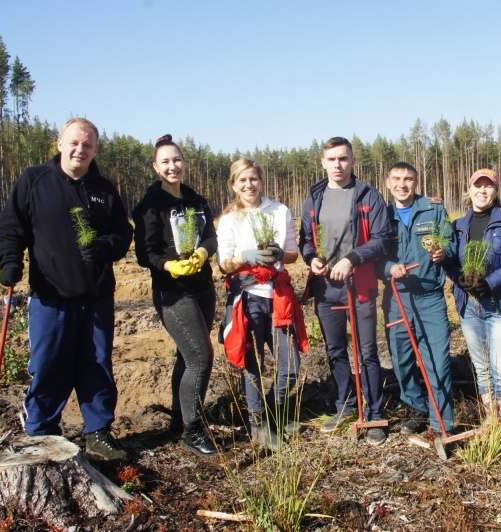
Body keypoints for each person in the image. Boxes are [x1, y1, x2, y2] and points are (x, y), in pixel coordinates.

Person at [0, 118, 133, 460]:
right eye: (73, 143)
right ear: (59, 143)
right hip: (50, 296)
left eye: (87, 145)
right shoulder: (34, 180)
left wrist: (105, 245)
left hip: (96, 296)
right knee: (48, 363)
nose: (79, 150)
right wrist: (9, 262)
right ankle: (40, 432)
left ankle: (98, 432)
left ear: (95, 149)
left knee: (97, 364)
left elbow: (123, 234)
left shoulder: (104, 189)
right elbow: (11, 228)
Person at [298, 136, 390, 445]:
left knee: (366, 352)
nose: (338, 164)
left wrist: (352, 259)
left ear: (352, 161)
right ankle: (345, 406)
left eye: (343, 158)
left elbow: (381, 238)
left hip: (359, 285)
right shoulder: (314, 197)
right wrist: (311, 259)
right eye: (332, 159)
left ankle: (375, 414)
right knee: (335, 351)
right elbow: (306, 240)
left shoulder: (368, 196)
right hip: (326, 288)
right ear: (323, 162)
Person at [132, 134, 218, 457]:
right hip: (173, 292)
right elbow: (145, 252)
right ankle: (192, 431)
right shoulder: (150, 205)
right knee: (201, 357)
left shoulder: (196, 200)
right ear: (156, 166)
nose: (173, 166)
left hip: (203, 289)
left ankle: (180, 420)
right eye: (165, 161)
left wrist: (202, 254)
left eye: (177, 160)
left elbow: (211, 236)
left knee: (187, 356)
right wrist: (169, 265)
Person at [216, 157, 307, 451]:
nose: (249, 184)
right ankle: (257, 423)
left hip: (278, 297)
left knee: (290, 365)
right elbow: (223, 264)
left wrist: (280, 253)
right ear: (233, 185)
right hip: (248, 297)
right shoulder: (229, 219)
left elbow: (292, 254)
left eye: (253, 178)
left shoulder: (279, 211)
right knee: (252, 364)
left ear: (261, 180)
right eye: (242, 180)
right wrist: (244, 256)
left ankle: (275, 412)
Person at [380, 162, 456, 436]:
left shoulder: (433, 209)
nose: (402, 184)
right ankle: (416, 408)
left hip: (429, 298)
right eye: (397, 178)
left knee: (437, 360)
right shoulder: (382, 215)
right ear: (388, 183)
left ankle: (441, 421)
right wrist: (389, 268)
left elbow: (451, 242)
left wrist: (443, 252)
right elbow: (373, 257)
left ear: (416, 182)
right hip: (396, 298)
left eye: (408, 179)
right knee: (401, 360)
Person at [448, 168, 501, 426]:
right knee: (482, 369)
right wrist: (457, 277)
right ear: (469, 191)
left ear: (495, 190)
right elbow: (449, 260)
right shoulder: (458, 226)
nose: (482, 191)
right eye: (477, 186)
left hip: (500, 306)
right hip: (469, 307)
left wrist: (489, 283)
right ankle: (491, 422)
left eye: (488, 186)